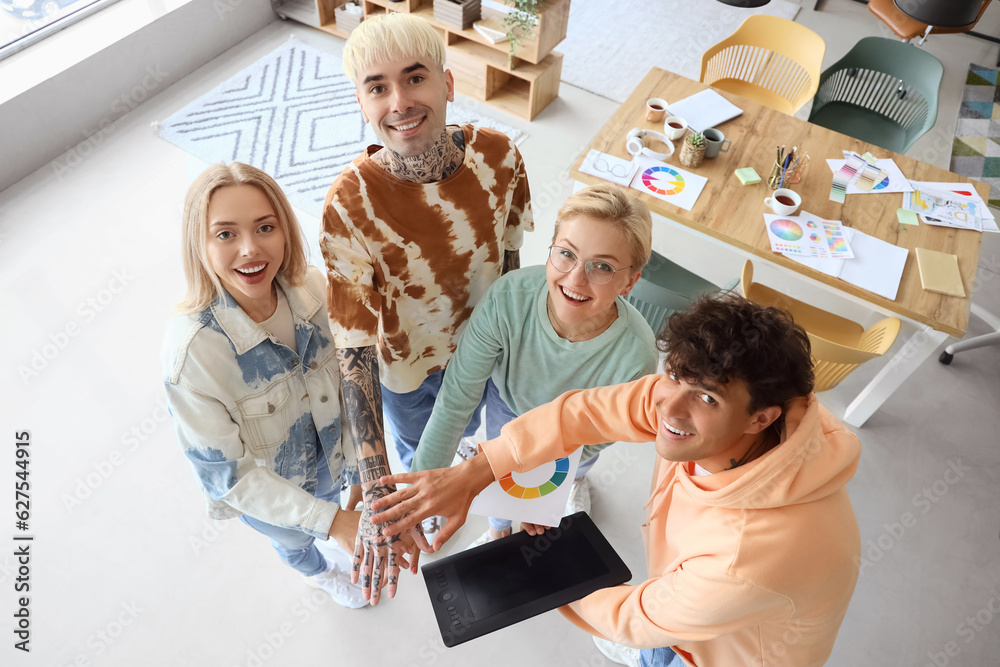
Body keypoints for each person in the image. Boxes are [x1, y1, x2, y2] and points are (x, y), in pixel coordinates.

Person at [371, 293, 862, 666]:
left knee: (656, 644)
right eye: (673, 376)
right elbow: (579, 415)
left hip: (729, 654)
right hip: (689, 603)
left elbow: (636, 618)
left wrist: (537, 576)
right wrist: (475, 472)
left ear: (761, 418)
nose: (667, 408)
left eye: (706, 398)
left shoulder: (748, 557)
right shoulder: (733, 416)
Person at [321, 11, 532, 550]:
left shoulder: (501, 156)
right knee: (423, 455)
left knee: (494, 440)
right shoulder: (349, 203)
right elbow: (353, 350)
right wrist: (379, 490)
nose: (399, 103)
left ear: (448, 83)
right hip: (409, 374)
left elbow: (510, 259)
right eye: (377, 88)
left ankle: (491, 504)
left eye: (415, 77)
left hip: (490, 349)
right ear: (362, 104)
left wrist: (513, 343)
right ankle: (435, 498)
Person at [162, 163, 415, 609]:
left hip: (333, 466)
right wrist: (332, 521)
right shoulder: (191, 359)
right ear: (197, 243)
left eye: (265, 227)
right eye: (225, 234)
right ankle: (317, 573)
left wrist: (358, 475)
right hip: (275, 496)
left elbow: (350, 386)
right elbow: (229, 478)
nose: (250, 250)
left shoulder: (314, 289)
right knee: (295, 544)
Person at [411, 184, 658, 546]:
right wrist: (418, 496)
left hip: (576, 443)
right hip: (509, 407)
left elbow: (595, 438)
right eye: (566, 254)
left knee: (573, 470)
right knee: (500, 482)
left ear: (629, 282)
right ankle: (498, 528)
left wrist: (545, 490)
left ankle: (572, 484)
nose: (575, 279)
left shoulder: (637, 358)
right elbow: (454, 403)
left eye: (602, 266)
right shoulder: (507, 300)